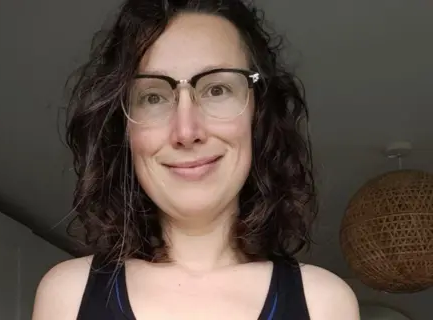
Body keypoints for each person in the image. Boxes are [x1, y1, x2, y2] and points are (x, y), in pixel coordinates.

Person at [32, 0, 359, 319]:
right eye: (153, 96)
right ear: (125, 129)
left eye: (216, 89)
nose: (187, 131)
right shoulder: (67, 297)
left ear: (257, 114)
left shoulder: (324, 304)